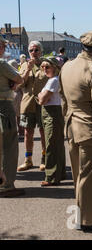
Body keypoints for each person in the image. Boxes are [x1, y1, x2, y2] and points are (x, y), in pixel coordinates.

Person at [59, 30, 92, 232]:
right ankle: (87, 221)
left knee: (79, 176)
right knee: (90, 177)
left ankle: (86, 211)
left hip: (72, 127)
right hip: (91, 130)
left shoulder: (67, 66)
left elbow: (63, 98)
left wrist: (68, 118)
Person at [17, 41, 48, 172]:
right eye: (31, 50)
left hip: (43, 103)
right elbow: (20, 84)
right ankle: (28, 160)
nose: (34, 53)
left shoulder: (46, 64)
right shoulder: (24, 65)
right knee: (27, 133)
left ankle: (44, 159)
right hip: (28, 103)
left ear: (41, 51)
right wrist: (28, 69)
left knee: (43, 132)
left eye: (36, 50)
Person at [0, 36, 25, 198]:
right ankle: (6, 185)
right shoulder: (2, 64)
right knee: (9, 148)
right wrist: (12, 83)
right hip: (3, 105)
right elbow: (19, 78)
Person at [37, 57, 66, 186]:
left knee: (51, 145)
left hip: (51, 113)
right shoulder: (53, 80)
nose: (44, 69)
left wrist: (39, 95)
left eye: (47, 67)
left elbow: (42, 100)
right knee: (57, 144)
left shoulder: (53, 81)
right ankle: (59, 173)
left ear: (54, 67)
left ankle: (52, 177)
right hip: (53, 112)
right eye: (42, 67)